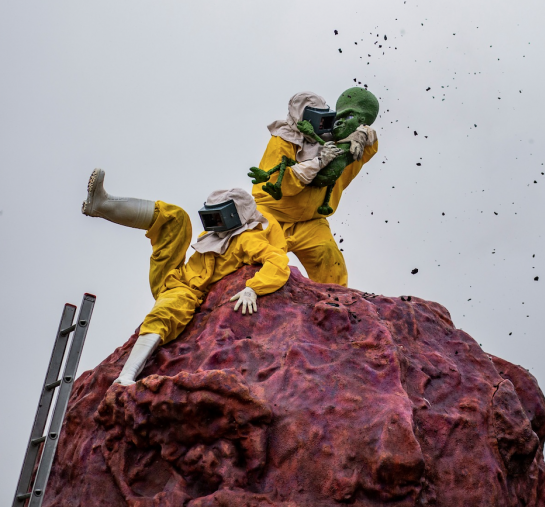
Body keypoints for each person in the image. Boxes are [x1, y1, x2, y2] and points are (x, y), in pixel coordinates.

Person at [81, 169, 290, 385]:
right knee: (176, 217)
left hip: (188, 291)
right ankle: (102, 205)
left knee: (165, 312)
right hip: (174, 275)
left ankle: (126, 375)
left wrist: (253, 288)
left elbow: (278, 261)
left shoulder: (247, 240)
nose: (212, 223)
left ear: (236, 215)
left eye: (217, 217)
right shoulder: (213, 236)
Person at [252, 88, 379, 286]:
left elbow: (363, 152)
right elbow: (284, 185)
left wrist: (363, 132)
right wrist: (318, 162)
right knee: (263, 259)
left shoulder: (332, 137)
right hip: (272, 215)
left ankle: (335, 308)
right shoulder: (282, 140)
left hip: (311, 221)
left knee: (331, 262)